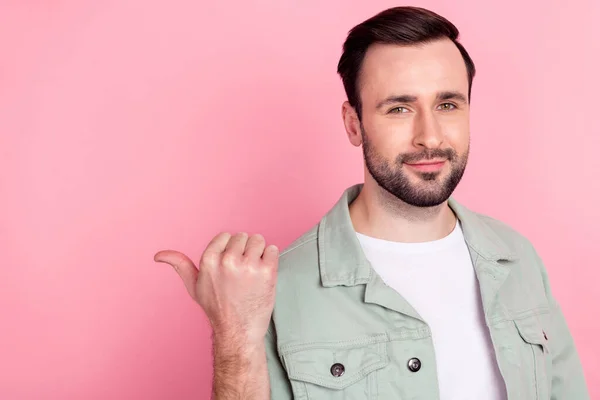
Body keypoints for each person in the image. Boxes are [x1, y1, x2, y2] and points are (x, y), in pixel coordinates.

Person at [154, 6, 590, 400]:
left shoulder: (518, 259)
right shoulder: (276, 291)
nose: (430, 135)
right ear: (353, 124)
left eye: (448, 104)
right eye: (399, 109)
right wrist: (235, 337)